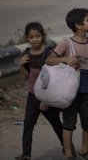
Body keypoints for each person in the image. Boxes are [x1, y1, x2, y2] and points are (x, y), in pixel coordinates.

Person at [46, 8, 88, 160]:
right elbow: (49, 60)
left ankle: (84, 150)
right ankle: (69, 154)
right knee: (69, 122)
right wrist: (65, 59)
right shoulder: (66, 43)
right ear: (78, 25)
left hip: (86, 87)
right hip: (69, 89)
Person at [16, 22, 64, 160]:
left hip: (47, 95)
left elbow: (53, 76)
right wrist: (21, 64)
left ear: (43, 36)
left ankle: (67, 148)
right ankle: (26, 154)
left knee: (56, 123)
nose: (35, 39)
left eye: (37, 36)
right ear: (27, 38)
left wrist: (44, 99)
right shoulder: (27, 54)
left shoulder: (48, 53)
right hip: (33, 95)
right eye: (31, 37)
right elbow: (26, 76)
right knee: (28, 124)